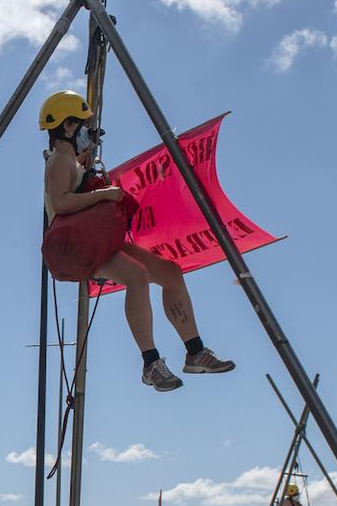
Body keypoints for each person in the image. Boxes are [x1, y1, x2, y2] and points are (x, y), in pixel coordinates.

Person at [36, 89, 233, 393]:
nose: (89, 132)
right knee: (137, 276)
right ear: (68, 126)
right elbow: (61, 204)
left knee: (170, 273)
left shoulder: (71, 161)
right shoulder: (60, 161)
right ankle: (150, 363)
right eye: (84, 125)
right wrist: (106, 194)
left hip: (92, 239)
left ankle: (195, 351)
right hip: (77, 246)